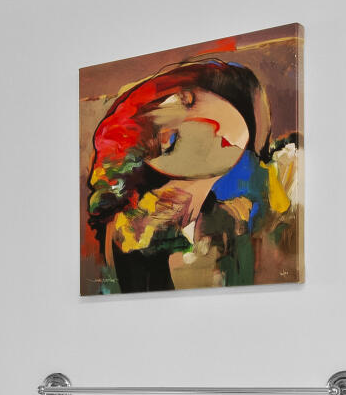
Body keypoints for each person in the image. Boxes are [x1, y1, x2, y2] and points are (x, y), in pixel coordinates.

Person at [85, 55, 302, 291]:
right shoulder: (128, 231)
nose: (168, 116)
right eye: (182, 98)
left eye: (187, 100)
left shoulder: (257, 216)